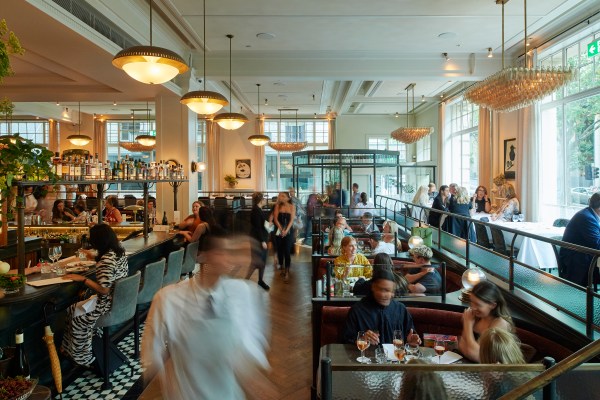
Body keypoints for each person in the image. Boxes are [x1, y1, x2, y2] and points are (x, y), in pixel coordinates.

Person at [142, 235, 270, 400]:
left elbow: (249, 344)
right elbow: (151, 350)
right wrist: (168, 379)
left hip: (227, 393)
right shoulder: (169, 299)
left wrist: (252, 378)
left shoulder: (241, 293)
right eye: (223, 252)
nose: (232, 258)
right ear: (204, 255)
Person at [60, 224, 128, 367]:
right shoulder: (118, 251)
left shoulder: (106, 260)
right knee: (73, 309)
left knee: (74, 313)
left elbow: (104, 290)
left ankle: (83, 357)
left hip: (107, 305)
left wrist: (83, 279)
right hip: (121, 301)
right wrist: (95, 256)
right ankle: (72, 350)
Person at [342, 268, 421, 345]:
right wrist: (361, 339)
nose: (386, 295)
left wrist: (411, 342)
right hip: (367, 357)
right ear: (373, 287)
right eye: (383, 290)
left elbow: (410, 336)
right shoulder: (357, 310)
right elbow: (345, 341)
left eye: (389, 291)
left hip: (395, 357)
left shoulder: (401, 310)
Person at [459, 281, 514, 362]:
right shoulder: (475, 317)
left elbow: (476, 356)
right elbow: (461, 345)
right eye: (472, 302)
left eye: (478, 304)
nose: (473, 308)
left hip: (493, 372)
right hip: (471, 367)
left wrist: (468, 324)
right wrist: (470, 350)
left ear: (492, 305)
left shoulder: (500, 323)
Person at [559, 192, 600, 286]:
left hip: (584, 255)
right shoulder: (586, 218)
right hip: (576, 260)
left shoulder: (590, 214)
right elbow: (597, 244)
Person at [246, 192, 270, 291]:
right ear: (260, 200)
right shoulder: (256, 211)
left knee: (261, 262)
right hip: (257, 240)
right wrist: (262, 241)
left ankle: (260, 280)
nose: (265, 200)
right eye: (264, 198)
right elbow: (257, 228)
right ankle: (246, 280)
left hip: (260, 238)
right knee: (256, 262)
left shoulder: (259, 209)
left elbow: (261, 224)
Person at [274, 191, 296, 283]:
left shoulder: (292, 206)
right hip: (279, 230)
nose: (280, 197)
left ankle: (287, 271)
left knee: (287, 250)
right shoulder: (277, 206)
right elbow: (275, 218)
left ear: (287, 198)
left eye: (282, 196)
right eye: (279, 196)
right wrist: (281, 229)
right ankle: (282, 267)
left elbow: (291, 220)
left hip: (289, 231)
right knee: (280, 250)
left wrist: (286, 230)